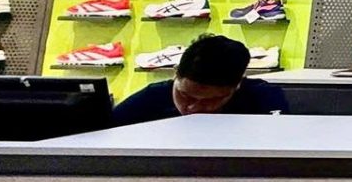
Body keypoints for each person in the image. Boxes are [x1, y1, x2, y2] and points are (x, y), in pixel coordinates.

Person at [112, 34, 288, 124]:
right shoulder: (150, 99)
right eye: (185, 96)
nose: (193, 108)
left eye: (211, 101)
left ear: (237, 86)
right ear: (175, 74)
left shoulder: (263, 98)